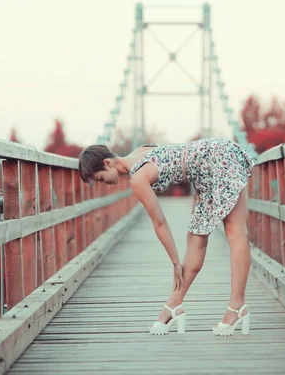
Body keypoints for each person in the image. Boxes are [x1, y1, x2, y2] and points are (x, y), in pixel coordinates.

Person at [78, 138, 256, 336]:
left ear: (108, 163)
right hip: (205, 170)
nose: (104, 184)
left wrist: (174, 262)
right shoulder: (141, 150)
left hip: (218, 160)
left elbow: (160, 223)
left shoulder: (137, 179)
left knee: (235, 231)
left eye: (101, 178)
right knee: (196, 237)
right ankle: (173, 306)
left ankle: (236, 306)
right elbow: (179, 157)